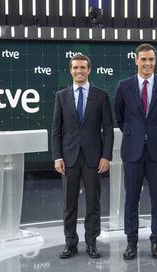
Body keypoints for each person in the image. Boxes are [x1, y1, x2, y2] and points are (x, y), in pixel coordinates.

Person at [115, 43, 157, 260]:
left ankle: (156, 241)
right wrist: (137, 135)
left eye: (151, 59)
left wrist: (154, 135)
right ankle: (131, 242)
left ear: (155, 61)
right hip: (132, 151)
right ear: (136, 60)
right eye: (143, 59)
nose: (147, 63)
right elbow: (121, 118)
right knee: (131, 199)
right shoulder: (123, 86)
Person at [51, 54, 114, 259]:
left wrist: (106, 156)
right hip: (68, 159)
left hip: (94, 159)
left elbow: (108, 129)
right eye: (76, 67)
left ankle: (91, 243)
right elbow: (56, 130)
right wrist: (57, 157)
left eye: (83, 68)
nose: (79, 71)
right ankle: (70, 243)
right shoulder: (61, 96)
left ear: (89, 70)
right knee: (69, 205)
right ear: (71, 70)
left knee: (93, 203)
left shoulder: (101, 95)